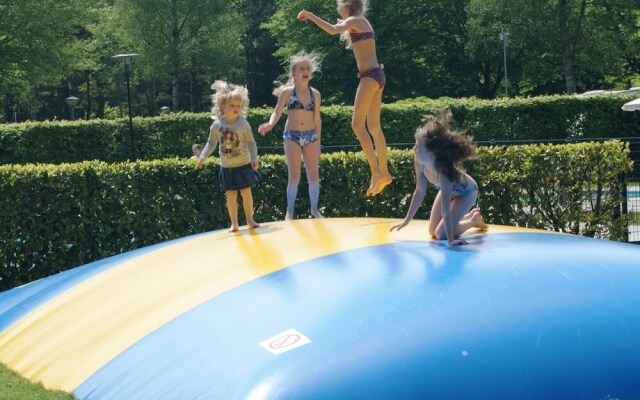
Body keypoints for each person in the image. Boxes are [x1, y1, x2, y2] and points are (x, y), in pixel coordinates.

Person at [297, 0, 392, 197]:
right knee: (374, 127)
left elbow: (333, 30)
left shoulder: (355, 20)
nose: (338, 10)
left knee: (357, 126)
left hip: (369, 77)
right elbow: (342, 31)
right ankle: (384, 173)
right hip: (378, 75)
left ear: (347, 7)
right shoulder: (360, 21)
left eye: (340, 6)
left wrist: (310, 15)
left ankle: (376, 172)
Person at [390, 112, 488, 246]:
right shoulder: (419, 162)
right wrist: (406, 220)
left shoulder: (444, 174)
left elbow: (445, 210)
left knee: (440, 234)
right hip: (448, 191)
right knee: (432, 231)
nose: (414, 148)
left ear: (431, 155)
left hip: (467, 193)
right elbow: (419, 191)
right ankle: (468, 218)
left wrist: (451, 240)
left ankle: (473, 220)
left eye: (418, 147)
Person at [258, 51, 323, 220]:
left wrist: (318, 142)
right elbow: (277, 112)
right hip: (291, 135)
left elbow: (317, 119)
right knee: (294, 175)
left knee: (313, 174)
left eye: (307, 68)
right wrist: (270, 125)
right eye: (301, 68)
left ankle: (314, 209)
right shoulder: (287, 92)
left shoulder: (315, 94)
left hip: (310, 136)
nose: (305, 71)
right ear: (294, 73)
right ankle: (290, 212)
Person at [198, 80, 260, 232]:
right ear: (222, 107)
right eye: (232, 105)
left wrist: (254, 158)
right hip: (227, 167)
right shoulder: (217, 125)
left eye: (238, 106)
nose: (236, 108)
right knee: (231, 195)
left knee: (246, 192)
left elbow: (251, 143)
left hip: (244, 164)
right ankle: (234, 223)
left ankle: (250, 220)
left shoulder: (243, 124)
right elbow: (211, 143)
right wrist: (203, 156)